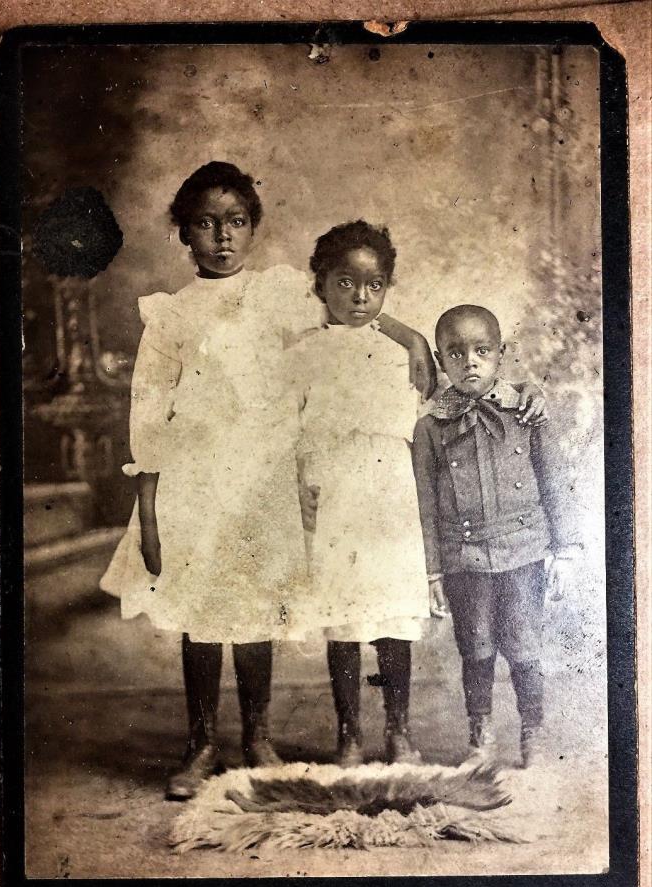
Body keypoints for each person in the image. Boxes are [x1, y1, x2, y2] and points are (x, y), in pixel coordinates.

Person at [101, 164, 427, 799]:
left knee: (253, 608)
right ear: (183, 235)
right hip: (194, 481)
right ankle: (199, 744)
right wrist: (148, 508)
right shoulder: (170, 315)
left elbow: (348, 307)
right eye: (205, 223)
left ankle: (255, 735)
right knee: (200, 613)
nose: (222, 236)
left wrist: (407, 331)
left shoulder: (279, 294)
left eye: (236, 222)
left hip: (260, 477)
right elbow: (148, 411)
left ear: (253, 228)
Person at [290, 221, 438, 768]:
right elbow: (288, 427)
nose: (360, 297)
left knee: (393, 618)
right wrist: (296, 483)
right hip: (336, 494)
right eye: (345, 282)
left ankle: (398, 730)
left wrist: (409, 334)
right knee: (347, 619)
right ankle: (349, 733)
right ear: (320, 284)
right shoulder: (302, 352)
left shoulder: (403, 352)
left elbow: (434, 401)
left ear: (387, 289)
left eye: (374, 286)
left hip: (389, 498)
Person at [412, 304, 579, 768]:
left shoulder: (527, 411)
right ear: (441, 361)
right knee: (477, 648)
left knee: (524, 647)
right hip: (465, 559)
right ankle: (479, 736)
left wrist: (564, 551)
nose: (470, 362)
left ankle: (533, 731)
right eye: (456, 353)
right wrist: (431, 572)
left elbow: (554, 480)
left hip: (524, 553)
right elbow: (425, 505)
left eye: (482, 351)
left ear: (501, 354)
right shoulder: (430, 427)